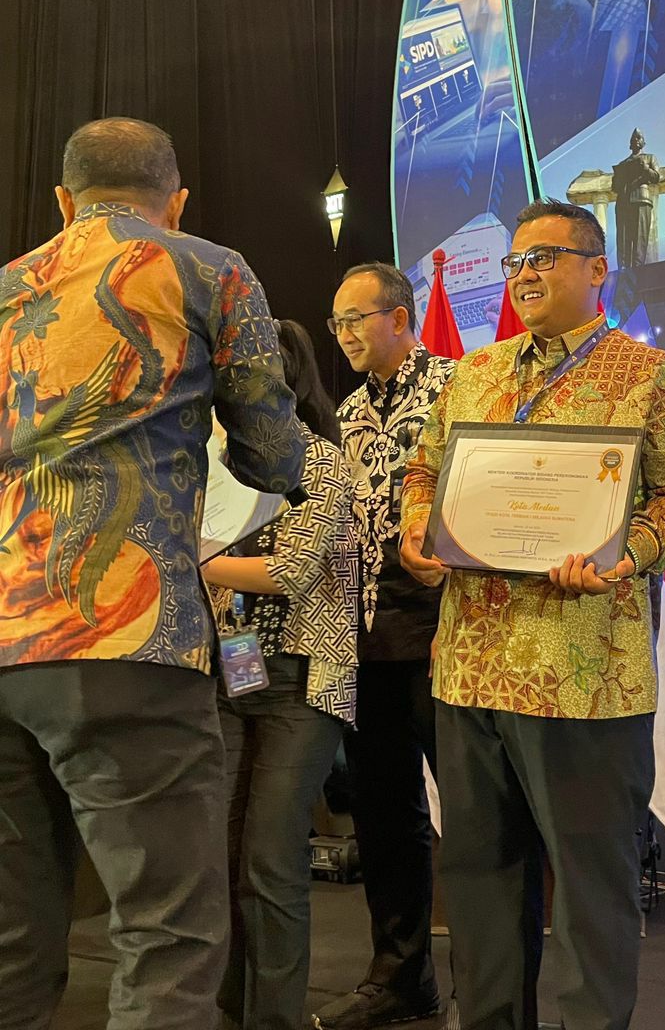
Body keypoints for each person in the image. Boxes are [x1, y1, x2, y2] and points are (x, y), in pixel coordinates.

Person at [0, 118, 306, 1030]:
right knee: (166, 933)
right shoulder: (209, 268)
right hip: (128, 635)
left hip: (6, 637)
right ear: (176, 201)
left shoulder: (8, 287)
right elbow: (273, 453)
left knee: (12, 937)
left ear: (64, 201)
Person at [400, 199, 665, 1030]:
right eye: (516, 261)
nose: (525, 273)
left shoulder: (649, 376)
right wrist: (417, 530)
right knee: (480, 882)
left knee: (589, 890)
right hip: (470, 668)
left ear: (597, 268)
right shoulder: (474, 372)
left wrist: (626, 553)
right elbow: (423, 473)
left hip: (586, 677)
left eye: (545, 257)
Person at [203, 319, 359, 1030]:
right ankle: (230, 1013)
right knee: (222, 857)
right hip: (228, 676)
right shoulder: (211, 461)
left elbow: (291, 571)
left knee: (269, 860)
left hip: (304, 680)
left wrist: (195, 558)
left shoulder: (322, 462)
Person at [312, 263, 454, 1030]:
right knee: (384, 818)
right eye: (335, 323)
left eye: (355, 318)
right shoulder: (347, 413)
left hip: (447, 637)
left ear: (400, 318)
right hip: (367, 642)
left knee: (475, 814)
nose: (343, 334)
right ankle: (400, 977)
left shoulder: (458, 388)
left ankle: (496, 988)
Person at [611, 128, 660, 269]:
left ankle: (639, 268)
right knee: (623, 238)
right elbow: (615, 187)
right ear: (630, 143)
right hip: (623, 201)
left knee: (640, 237)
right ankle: (623, 268)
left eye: (639, 138)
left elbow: (656, 177)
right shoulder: (623, 163)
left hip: (641, 200)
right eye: (634, 138)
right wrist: (617, 178)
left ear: (644, 142)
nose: (636, 140)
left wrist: (645, 168)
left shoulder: (650, 158)